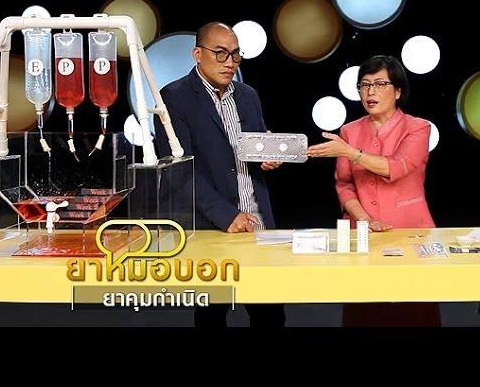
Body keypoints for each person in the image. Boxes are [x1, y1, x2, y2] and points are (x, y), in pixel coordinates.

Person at [155, 21, 285, 327]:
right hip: (211, 225)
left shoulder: (248, 95)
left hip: (257, 220)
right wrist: (227, 215)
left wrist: (266, 156)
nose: (230, 62)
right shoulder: (173, 97)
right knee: (212, 315)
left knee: (270, 315)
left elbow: (254, 143)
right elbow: (177, 170)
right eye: (221, 53)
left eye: (236, 54)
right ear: (197, 54)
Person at [307, 55, 440, 326]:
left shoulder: (418, 127)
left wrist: (351, 153)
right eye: (364, 85)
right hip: (362, 234)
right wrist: (364, 219)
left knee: (413, 310)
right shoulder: (349, 131)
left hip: (409, 231)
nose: (370, 92)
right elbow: (344, 185)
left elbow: (397, 167)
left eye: (380, 84)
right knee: (365, 310)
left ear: (398, 91)